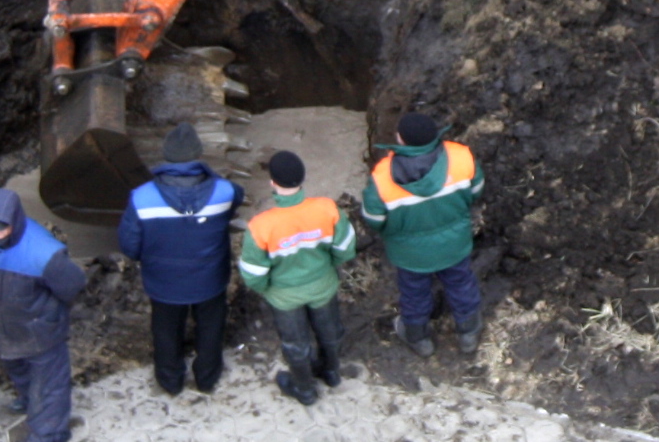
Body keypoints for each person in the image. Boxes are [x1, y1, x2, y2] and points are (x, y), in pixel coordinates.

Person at [118, 122, 242, 395]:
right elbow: (234, 205)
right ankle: (207, 378)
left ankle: (170, 381)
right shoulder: (225, 191)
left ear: (166, 155)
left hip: (163, 282)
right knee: (211, 327)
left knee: (165, 330)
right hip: (210, 279)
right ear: (198, 153)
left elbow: (129, 245)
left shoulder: (141, 198)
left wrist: (150, 258)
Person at [361, 112, 485, 358]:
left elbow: (373, 219)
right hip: (453, 245)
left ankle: (419, 338)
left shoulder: (383, 175)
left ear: (400, 139)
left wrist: (393, 232)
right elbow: (476, 190)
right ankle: (468, 333)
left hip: (410, 254)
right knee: (461, 283)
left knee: (414, 291)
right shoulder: (461, 156)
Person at [0, 189, 86, 442]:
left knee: (50, 387)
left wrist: (48, 313)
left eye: (2, 229)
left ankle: (49, 434)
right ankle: (28, 399)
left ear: (15, 220)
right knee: (19, 369)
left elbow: (72, 284)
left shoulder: (44, 252)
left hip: (40, 332)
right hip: (3, 329)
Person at [238, 151, 356, 406]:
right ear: (302, 179)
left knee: (295, 343)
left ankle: (304, 389)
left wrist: (267, 289)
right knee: (330, 331)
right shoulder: (326, 208)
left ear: (272, 183)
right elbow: (345, 247)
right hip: (322, 285)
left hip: (284, 297)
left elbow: (253, 273)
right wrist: (328, 266)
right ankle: (331, 372)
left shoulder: (260, 225)